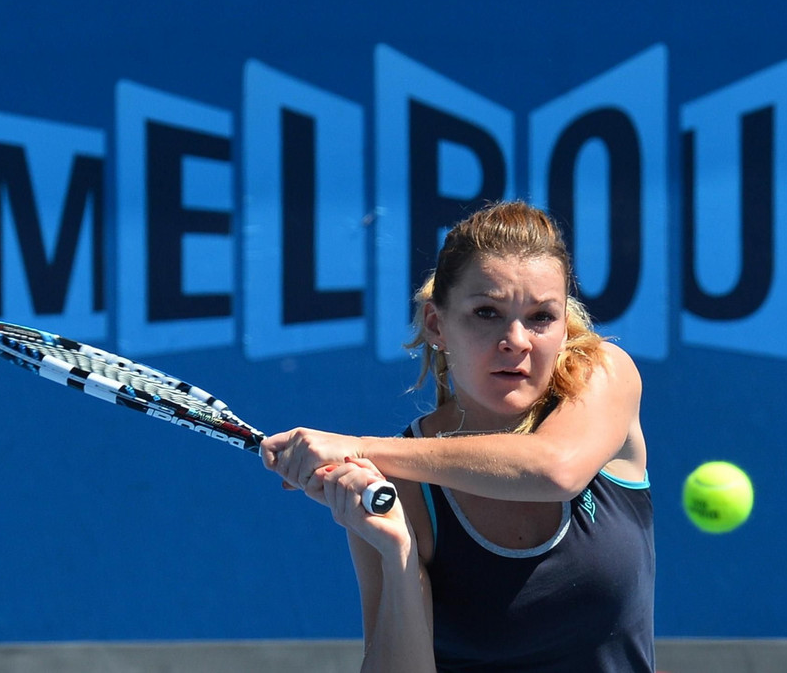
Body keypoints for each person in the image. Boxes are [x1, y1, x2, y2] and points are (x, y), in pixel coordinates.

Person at [261, 200, 655, 672]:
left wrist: (361, 446)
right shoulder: (396, 488)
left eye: (541, 317)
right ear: (436, 325)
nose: (517, 339)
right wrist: (397, 553)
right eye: (487, 312)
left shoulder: (604, 374)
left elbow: (554, 468)